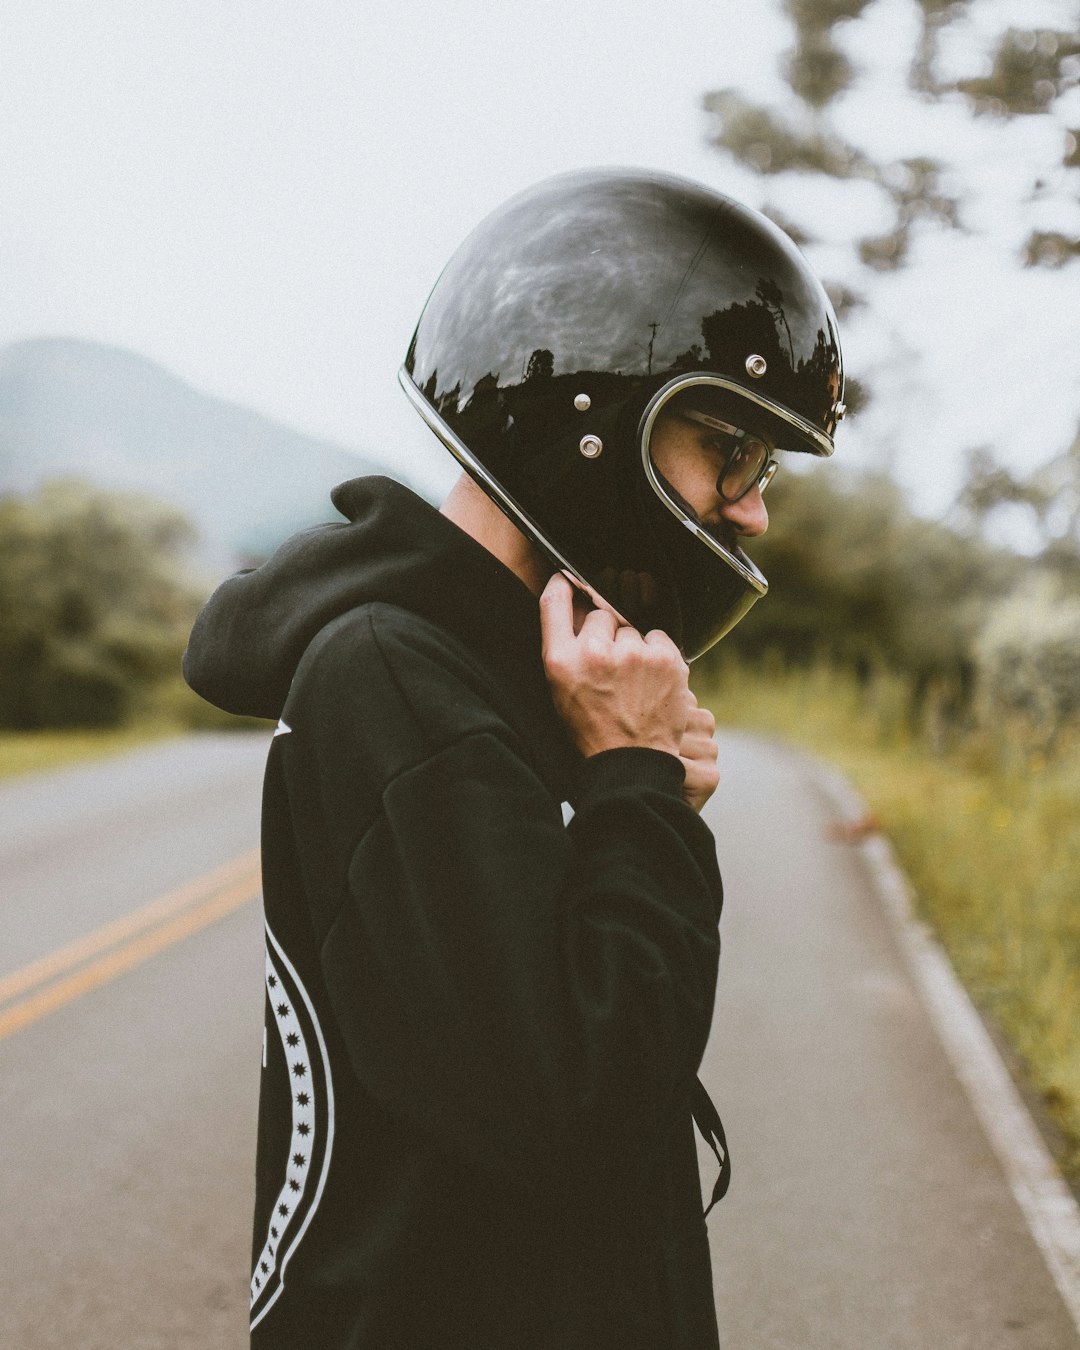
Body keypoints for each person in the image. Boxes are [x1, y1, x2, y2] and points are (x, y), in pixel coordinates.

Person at [183, 168, 844, 1349]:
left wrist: (637, 788)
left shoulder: (501, 679)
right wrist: (639, 792)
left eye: (763, 471)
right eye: (729, 446)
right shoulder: (397, 679)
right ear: (589, 421)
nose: (748, 511)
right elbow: (583, 1114)